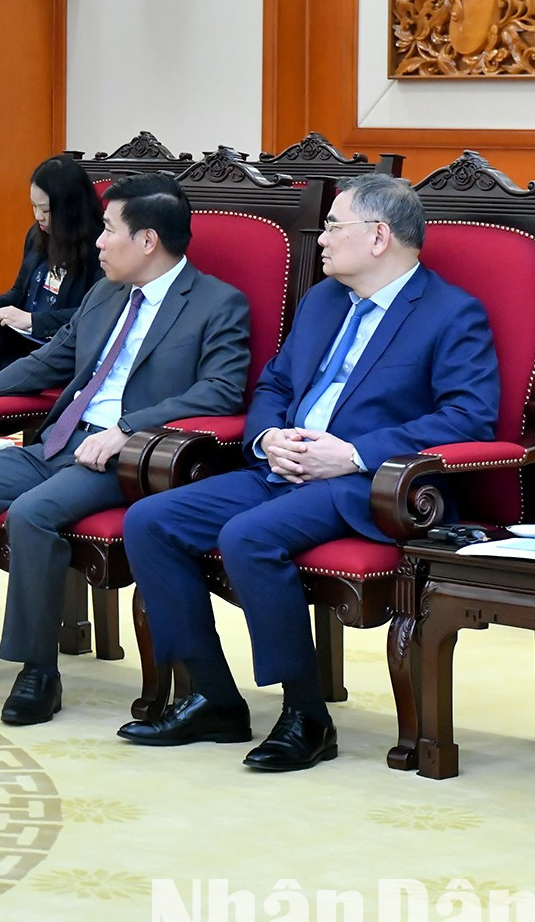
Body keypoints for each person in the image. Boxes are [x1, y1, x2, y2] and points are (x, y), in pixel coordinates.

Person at [121, 174, 498, 772]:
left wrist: (351, 454)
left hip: (371, 484)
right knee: (150, 520)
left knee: (249, 536)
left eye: (332, 226)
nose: (319, 239)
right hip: (284, 466)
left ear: (378, 237)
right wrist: (269, 438)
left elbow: (469, 416)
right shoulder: (323, 301)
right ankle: (213, 697)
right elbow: (274, 383)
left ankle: (306, 716)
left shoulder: (451, 313)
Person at [0, 172, 251, 726]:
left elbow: (222, 389)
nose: (96, 242)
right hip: (58, 441)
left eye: (108, 230)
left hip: (129, 456)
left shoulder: (218, 303)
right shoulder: (104, 293)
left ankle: (37, 672)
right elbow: (45, 362)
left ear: (148, 240)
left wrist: (129, 428)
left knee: (33, 514)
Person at [0, 155, 104, 380]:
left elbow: (95, 314)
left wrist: (33, 321)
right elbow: (20, 293)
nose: (38, 216)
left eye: (45, 209)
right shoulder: (37, 235)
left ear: (69, 207)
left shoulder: (100, 247)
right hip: (25, 339)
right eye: (34, 206)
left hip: (60, 345)